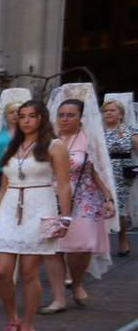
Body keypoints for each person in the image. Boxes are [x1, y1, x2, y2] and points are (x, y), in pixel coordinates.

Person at [0, 99, 73, 331]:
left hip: (39, 207)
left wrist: (65, 216)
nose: (26, 120)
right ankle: (12, 319)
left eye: (31, 116)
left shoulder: (54, 146)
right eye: (22, 115)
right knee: (2, 271)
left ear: (41, 118)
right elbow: (5, 183)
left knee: (29, 272)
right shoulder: (12, 146)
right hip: (10, 209)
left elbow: (63, 183)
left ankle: (27, 325)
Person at [49, 87, 118, 306]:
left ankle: (77, 282)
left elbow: (98, 171)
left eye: (70, 115)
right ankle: (59, 296)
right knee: (55, 247)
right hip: (53, 197)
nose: (64, 119)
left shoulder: (88, 140)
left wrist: (108, 198)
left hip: (85, 198)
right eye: (61, 115)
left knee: (81, 246)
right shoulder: (49, 139)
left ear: (81, 118)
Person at [101, 95, 136, 256]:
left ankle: (122, 238)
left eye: (112, 110)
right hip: (100, 171)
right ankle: (100, 241)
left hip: (121, 172)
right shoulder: (98, 131)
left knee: (118, 205)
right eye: (105, 111)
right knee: (100, 205)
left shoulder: (130, 131)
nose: (108, 113)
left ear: (120, 113)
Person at [0, 88, 32, 181]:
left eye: (17, 112)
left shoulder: (28, 132)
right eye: (11, 112)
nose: (15, 115)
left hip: (23, 173)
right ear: (6, 115)